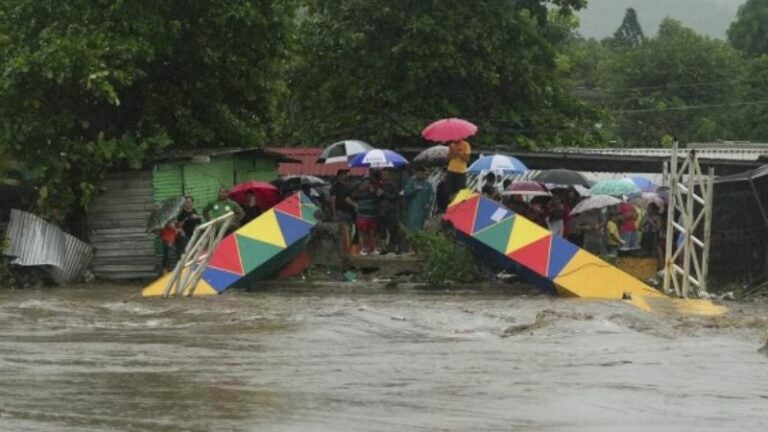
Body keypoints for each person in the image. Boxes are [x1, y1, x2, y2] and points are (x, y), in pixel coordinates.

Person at [347, 178, 379, 255]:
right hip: (362, 215)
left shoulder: (372, 192)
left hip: (371, 215)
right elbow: (348, 198)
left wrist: (373, 192)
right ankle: (363, 248)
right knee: (362, 232)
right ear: (362, 184)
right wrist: (355, 205)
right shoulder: (358, 192)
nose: (367, 185)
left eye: (368, 183)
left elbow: (376, 201)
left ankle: (374, 248)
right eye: (365, 183)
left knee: (372, 232)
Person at [376, 169, 402, 254]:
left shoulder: (393, 185)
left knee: (393, 230)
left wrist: (384, 193)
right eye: (382, 174)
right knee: (382, 230)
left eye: (385, 174)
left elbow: (395, 197)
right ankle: (383, 248)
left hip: (391, 211)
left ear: (388, 175)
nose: (384, 176)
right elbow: (376, 199)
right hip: (381, 211)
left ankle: (397, 248)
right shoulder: (379, 185)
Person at [404, 166, 435, 232]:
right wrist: (414, 190)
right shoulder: (411, 181)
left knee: (422, 227)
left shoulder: (427, 183)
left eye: (421, 174)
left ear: (424, 174)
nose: (419, 175)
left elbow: (432, 194)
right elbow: (406, 192)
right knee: (412, 226)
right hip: (413, 209)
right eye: (418, 174)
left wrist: (429, 204)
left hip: (424, 209)